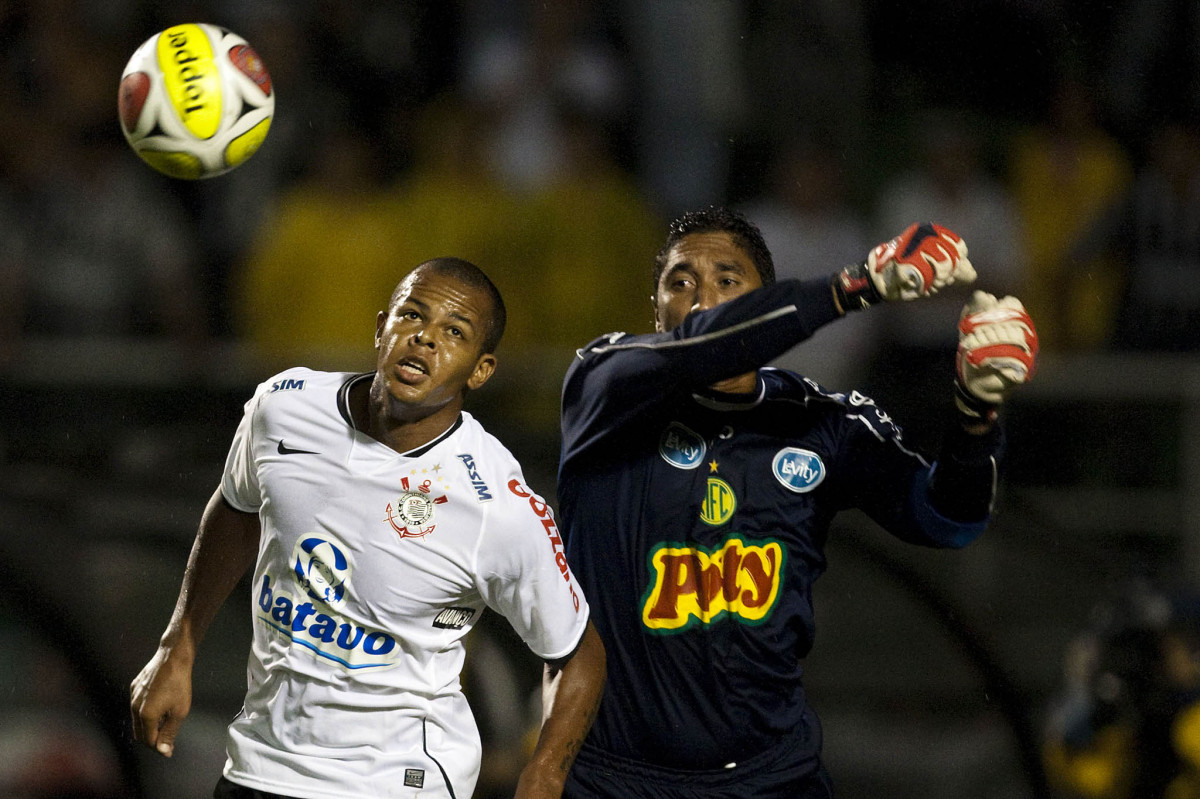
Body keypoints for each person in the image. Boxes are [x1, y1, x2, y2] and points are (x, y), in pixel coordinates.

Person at [556, 207, 1037, 797]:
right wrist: (856, 285)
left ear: (766, 299)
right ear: (656, 310)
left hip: (774, 778)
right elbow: (707, 344)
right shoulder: (603, 387)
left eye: (729, 282)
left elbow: (949, 517)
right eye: (680, 282)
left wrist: (976, 416)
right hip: (615, 780)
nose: (704, 300)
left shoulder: (826, 424)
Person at [130, 257, 606, 799]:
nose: (425, 339)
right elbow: (237, 508)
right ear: (382, 327)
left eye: (454, 332)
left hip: (399, 779)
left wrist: (544, 775)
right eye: (413, 316)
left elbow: (577, 652)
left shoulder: (495, 501)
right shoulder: (283, 408)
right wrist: (178, 648)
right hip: (260, 765)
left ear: (481, 369)